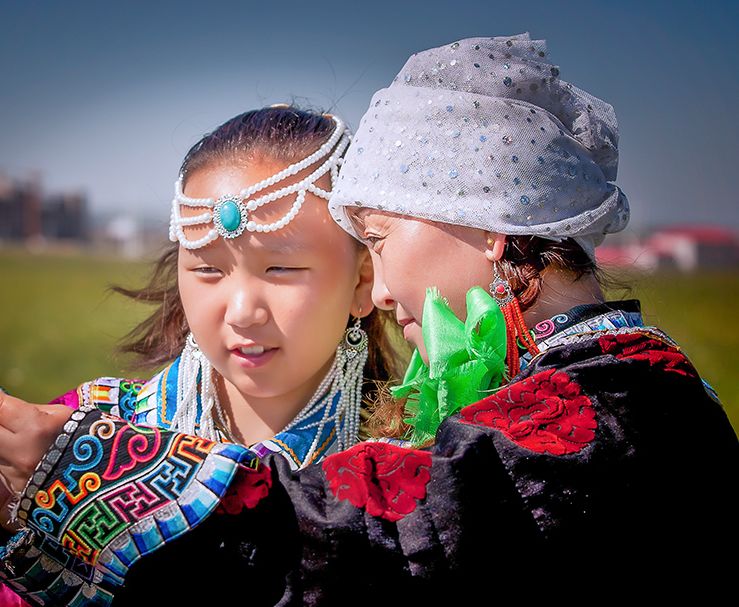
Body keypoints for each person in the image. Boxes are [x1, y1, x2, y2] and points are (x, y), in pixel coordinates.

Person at [2, 34, 738, 604]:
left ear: (488, 226)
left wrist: (91, 470)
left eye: (378, 241)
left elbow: (369, 540)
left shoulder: (606, 412)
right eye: (207, 268)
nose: (383, 289)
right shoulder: (563, 391)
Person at [0, 106, 404, 605]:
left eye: (280, 269)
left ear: (362, 280)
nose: (241, 311)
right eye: (208, 270)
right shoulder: (70, 435)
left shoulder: (410, 462)